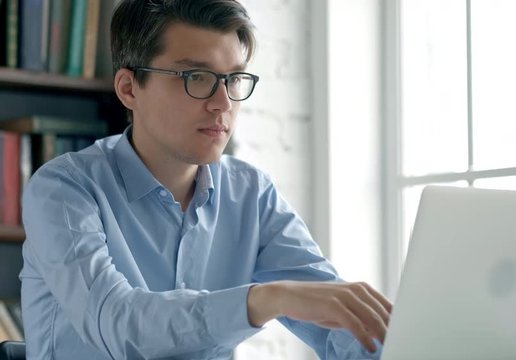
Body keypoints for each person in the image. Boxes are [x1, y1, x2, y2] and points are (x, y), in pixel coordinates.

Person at [19, 1, 391, 359]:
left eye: (234, 79)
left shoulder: (251, 194)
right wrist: (265, 299)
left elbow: (343, 327)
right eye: (196, 77)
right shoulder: (62, 190)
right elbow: (119, 326)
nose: (223, 103)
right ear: (129, 89)